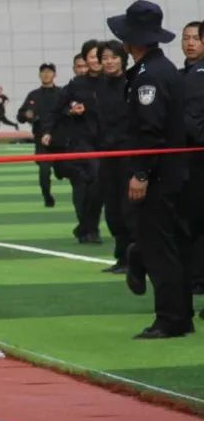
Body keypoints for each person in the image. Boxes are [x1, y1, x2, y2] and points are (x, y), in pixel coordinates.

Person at [109, 1, 194, 339]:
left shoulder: (150, 76)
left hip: (158, 175)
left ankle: (171, 319)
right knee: (171, 247)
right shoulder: (160, 69)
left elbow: (150, 130)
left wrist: (141, 173)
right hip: (171, 172)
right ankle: (180, 315)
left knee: (160, 249)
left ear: (132, 40)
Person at [44, 41, 103, 245]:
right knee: (81, 186)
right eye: (91, 57)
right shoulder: (76, 85)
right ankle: (89, 229)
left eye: (99, 56)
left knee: (97, 187)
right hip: (79, 143)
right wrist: (69, 112)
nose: (95, 61)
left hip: (104, 143)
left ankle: (86, 227)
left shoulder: (114, 82)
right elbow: (57, 110)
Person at [95, 42, 134, 273]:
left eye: (113, 57)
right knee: (112, 209)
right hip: (107, 155)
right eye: (105, 58)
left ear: (122, 59)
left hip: (128, 154)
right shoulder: (100, 86)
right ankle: (121, 257)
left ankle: (134, 258)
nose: (109, 62)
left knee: (128, 208)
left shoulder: (132, 83)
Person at [180, 21, 204, 303]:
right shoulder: (182, 74)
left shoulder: (197, 76)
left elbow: (192, 121)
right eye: (186, 38)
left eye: (196, 38)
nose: (190, 43)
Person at [16, 64, 61, 208]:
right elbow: (20, 116)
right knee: (44, 171)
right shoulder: (33, 95)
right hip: (41, 139)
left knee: (68, 170)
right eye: (43, 72)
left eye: (49, 72)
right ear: (39, 75)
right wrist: (26, 115)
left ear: (54, 75)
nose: (46, 74)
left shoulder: (61, 93)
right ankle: (47, 196)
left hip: (61, 138)